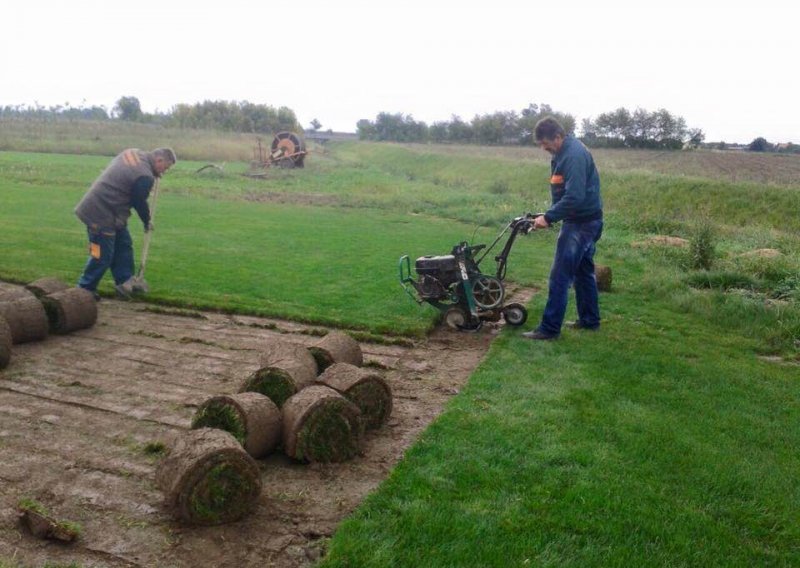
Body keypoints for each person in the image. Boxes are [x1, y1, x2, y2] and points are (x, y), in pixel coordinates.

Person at [523, 117, 603, 340]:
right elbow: (565, 191)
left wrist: (549, 217)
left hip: (581, 223)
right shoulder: (563, 152)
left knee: (560, 275)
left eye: (545, 143)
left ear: (558, 137)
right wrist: (550, 213)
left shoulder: (573, 155)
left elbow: (575, 196)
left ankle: (549, 329)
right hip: (586, 220)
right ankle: (589, 320)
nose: (543, 148)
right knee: (583, 272)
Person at [75, 147, 177, 299]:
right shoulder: (145, 176)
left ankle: (125, 282)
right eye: (165, 167)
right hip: (99, 213)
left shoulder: (134, 153)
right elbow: (138, 201)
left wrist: (154, 173)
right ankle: (84, 289)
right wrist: (147, 221)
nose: (164, 172)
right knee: (101, 255)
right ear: (159, 160)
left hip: (114, 213)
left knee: (123, 245)